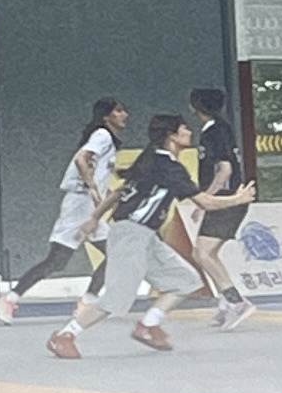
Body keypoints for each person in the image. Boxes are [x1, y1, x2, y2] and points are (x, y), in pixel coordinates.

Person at [49, 112, 205, 360]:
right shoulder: (168, 167)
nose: (189, 132)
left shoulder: (151, 159)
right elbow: (205, 201)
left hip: (145, 236)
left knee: (186, 280)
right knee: (116, 298)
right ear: (172, 136)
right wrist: (237, 199)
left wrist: (94, 217)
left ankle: (148, 326)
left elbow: (119, 192)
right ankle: (65, 335)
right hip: (131, 235)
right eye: (184, 128)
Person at [0, 97, 125, 319]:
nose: (124, 115)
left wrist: (106, 195)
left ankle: (88, 302)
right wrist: (91, 188)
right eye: (118, 111)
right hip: (80, 206)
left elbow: (93, 170)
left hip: (87, 206)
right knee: (57, 260)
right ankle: (9, 300)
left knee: (114, 253)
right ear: (106, 116)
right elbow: (81, 160)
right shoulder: (102, 135)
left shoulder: (104, 139)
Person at [183, 82, 258, 327]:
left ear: (196, 107)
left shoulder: (213, 132)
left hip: (227, 198)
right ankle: (226, 303)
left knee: (202, 252)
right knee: (208, 252)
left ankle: (236, 301)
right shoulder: (222, 128)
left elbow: (224, 169)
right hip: (230, 197)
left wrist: (206, 198)